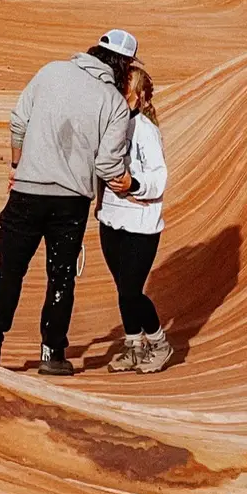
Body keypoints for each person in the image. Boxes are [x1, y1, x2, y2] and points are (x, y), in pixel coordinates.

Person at [0, 29, 136, 377]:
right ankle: (52, 355)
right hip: (70, 203)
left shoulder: (51, 72)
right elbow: (107, 165)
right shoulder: (114, 102)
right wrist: (128, 184)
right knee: (61, 278)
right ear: (122, 66)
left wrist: (18, 165)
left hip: (27, 191)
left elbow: (18, 120)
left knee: (10, 270)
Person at [99, 61, 173, 374]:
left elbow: (160, 177)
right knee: (122, 289)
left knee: (131, 289)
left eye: (126, 87)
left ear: (139, 96)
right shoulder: (111, 126)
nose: (120, 91)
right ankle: (133, 346)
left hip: (141, 224)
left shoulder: (146, 130)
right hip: (111, 219)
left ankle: (159, 343)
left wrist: (135, 184)